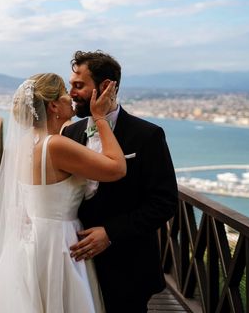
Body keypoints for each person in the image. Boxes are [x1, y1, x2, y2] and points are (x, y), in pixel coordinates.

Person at [0, 72, 126, 313]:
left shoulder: (23, 143)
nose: (72, 98)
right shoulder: (55, 145)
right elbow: (117, 168)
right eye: (66, 94)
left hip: (30, 240)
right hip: (59, 242)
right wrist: (100, 118)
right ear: (54, 105)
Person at [63, 50, 178, 313]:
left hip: (128, 267)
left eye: (79, 85)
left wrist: (111, 233)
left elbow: (164, 202)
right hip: (76, 263)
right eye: (71, 85)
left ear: (105, 87)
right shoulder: (71, 133)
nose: (71, 93)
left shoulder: (147, 136)